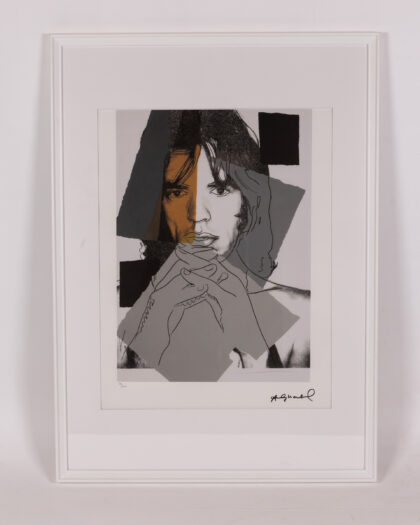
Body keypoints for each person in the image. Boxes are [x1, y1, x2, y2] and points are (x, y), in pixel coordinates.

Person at [117, 110, 309, 381]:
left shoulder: (304, 317)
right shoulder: (116, 310)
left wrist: (261, 365)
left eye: (219, 190)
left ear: (248, 203)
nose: (197, 214)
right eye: (178, 192)